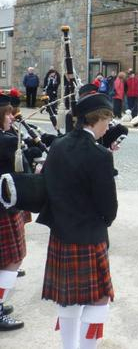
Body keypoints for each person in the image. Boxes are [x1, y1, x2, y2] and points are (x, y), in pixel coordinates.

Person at [38, 92, 117, 349]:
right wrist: (105, 220)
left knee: (68, 299)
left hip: (61, 232)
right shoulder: (100, 155)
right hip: (90, 235)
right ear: (98, 118)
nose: (108, 126)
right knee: (99, 299)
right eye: (107, 120)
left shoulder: (58, 145)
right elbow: (109, 207)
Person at [0, 94, 25, 331]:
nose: (11, 117)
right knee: (13, 259)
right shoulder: (7, 141)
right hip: (4, 208)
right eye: (7, 113)